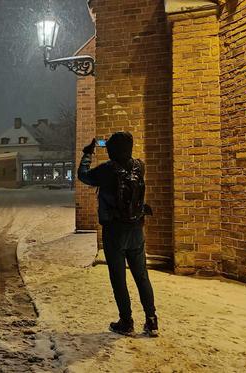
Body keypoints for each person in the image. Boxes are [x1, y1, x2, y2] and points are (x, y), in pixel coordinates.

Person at [77, 132, 158, 337]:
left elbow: (83, 175)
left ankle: (126, 321)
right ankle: (151, 320)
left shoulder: (107, 170)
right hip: (136, 229)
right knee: (141, 276)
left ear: (112, 149)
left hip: (114, 231)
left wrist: (88, 154)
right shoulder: (140, 166)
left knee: (119, 278)